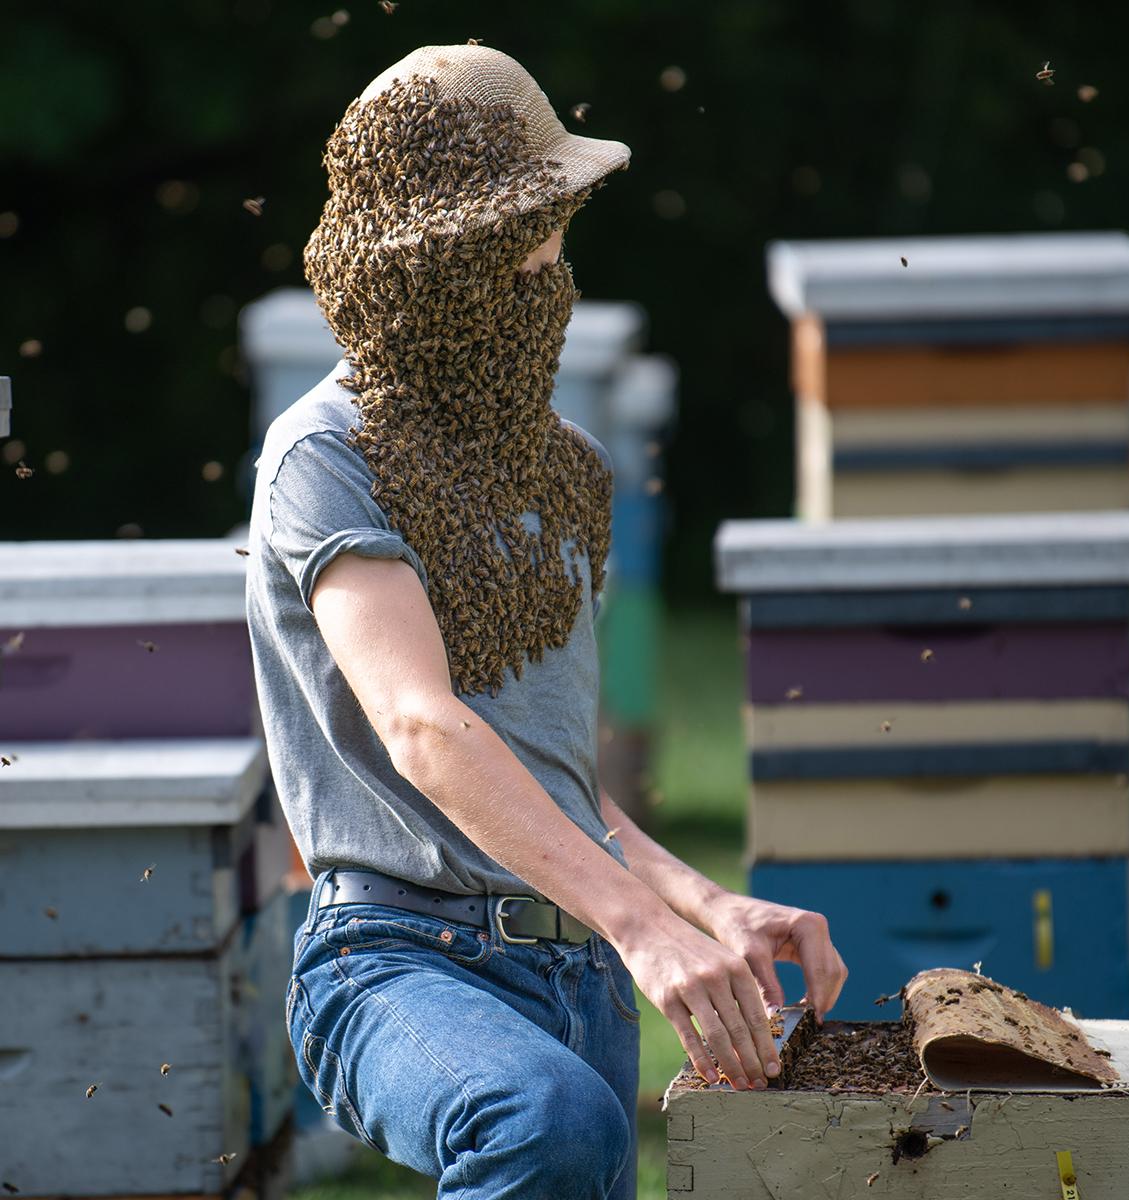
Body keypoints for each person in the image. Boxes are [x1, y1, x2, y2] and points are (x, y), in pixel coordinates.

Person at [245, 41, 847, 1200]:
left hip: (577, 977)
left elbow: (547, 778)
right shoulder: (323, 455)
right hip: (392, 957)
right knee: (541, 1120)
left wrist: (703, 902)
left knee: (564, 1125)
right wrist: (642, 926)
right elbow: (423, 726)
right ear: (427, 254)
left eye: (555, 226)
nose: (546, 261)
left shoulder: (565, 470)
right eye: (520, 231)